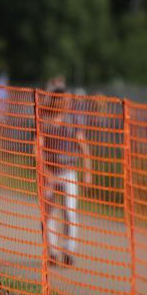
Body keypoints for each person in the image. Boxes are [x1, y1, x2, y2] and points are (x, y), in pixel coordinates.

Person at [38, 76, 92, 267]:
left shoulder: (72, 119)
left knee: (69, 211)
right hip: (49, 172)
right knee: (48, 214)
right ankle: (52, 252)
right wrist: (45, 173)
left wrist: (87, 172)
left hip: (68, 171)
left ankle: (69, 251)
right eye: (59, 99)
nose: (63, 102)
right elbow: (37, 148)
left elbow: (83, 146)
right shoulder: (43, 119)